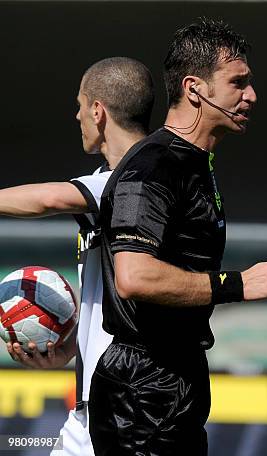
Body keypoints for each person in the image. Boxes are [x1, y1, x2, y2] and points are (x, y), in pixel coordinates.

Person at [88, 17, 267, 455]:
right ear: (195, 88)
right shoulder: (153, 166)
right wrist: (236, 285)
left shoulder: (194, 163)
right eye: (238, 83)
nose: (251, 96)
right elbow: (133, 276)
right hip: (142, 388)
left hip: (175, 376)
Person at [1, 57, 155, 455]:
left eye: (80, 105)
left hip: (123, 413)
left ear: (98, 111)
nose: (77, 116)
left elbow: (48, 198)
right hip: (93, 411)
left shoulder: (137, 181)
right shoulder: (128, 180)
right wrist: (72, 349)